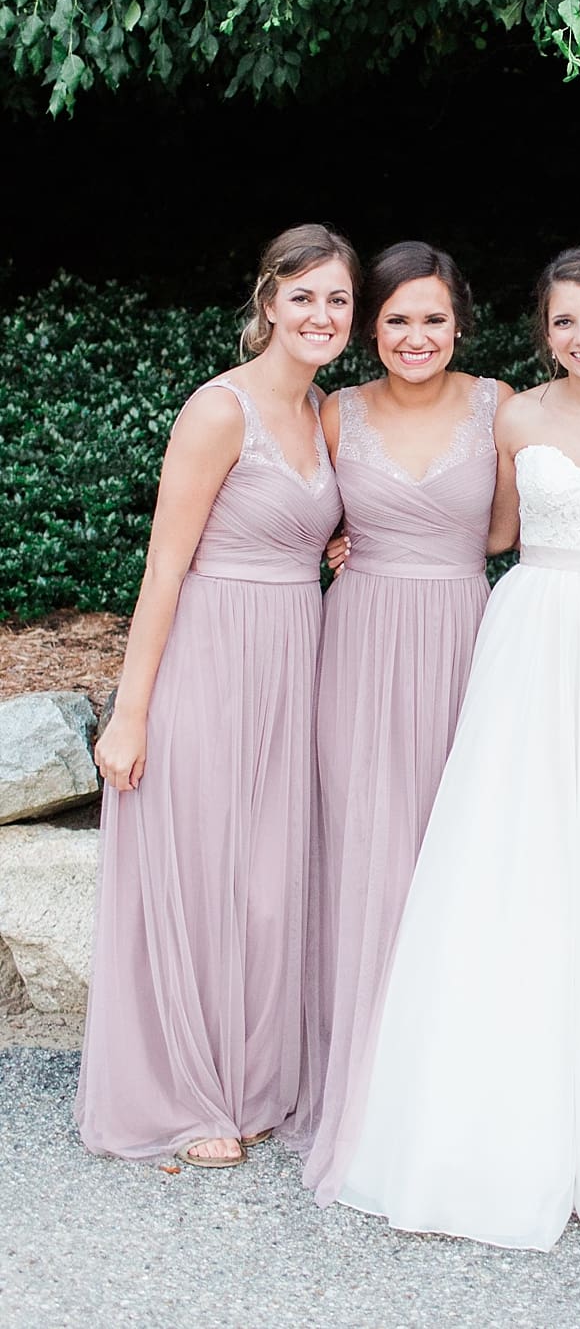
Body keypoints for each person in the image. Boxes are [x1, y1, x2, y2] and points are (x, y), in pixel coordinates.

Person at [332, 247, 580, 1249]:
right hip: (532, 632)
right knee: (517, 846)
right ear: (541, 333)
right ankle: (491, 1092)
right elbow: (492, 527)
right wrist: (355, 539)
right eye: (564, 322)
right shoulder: (515, 415)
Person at [75, 224, 358, 1167]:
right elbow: (164, 565)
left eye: (338, 299)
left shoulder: (322, 412)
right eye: (304, 295)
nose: (321, 315)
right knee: (202, 869)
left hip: (295, 654)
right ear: (268, 301)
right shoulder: (217, 410)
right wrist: (130, 708)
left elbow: (318, 522)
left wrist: (338, 543)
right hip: (211, 653)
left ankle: (250, 1075)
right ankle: (194, 1096)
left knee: (269, 878)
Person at [290, 241, 512, 1202]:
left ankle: (454, 1073)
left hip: (468, 641)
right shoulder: (334, 413)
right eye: (395, 320)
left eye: (432, 318)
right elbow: (289, 506)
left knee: (456, 851)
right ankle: (367, 1077)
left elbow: (510, 528)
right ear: (368, 329)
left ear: (460, 321)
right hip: (365, 641)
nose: (414, 337)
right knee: (369, 851)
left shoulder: (501, 406)